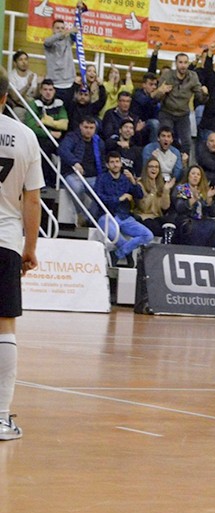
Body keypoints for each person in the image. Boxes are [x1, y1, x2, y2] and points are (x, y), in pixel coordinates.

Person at [0, 67, 43, 441]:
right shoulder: (26, 136)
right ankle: (0, 418)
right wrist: (30, 248)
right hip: (6, 240)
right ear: (5, 97)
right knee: (5, 327)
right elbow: (32, 199)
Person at [153, 52, 208, 155]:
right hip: (167, 112)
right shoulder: (167, 75)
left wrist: (205, 94)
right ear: (176, 63)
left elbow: (200, 99)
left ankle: (184, 167)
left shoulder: (193, 76)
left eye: (185, 63)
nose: (183, 65)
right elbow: (155, 99)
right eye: (180, 62)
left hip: (183, 114)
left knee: (187, 142)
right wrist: (161, 91)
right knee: (165, 139)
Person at [43, 18, 77, 104]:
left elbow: (77, 29)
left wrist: (79, 10)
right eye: (57, 28)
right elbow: (47, 42)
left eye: (62, 28)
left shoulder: (68, 40)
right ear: (53, 30)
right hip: (55, 84)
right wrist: (66, 32)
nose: (60, 30)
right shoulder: (49, 42)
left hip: (69, 83)